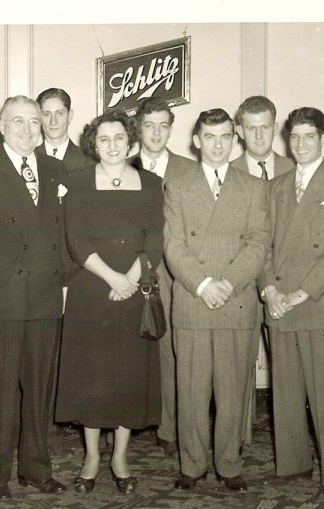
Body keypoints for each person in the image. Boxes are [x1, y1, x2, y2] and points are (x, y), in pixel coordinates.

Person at [0, 95, 70, 500]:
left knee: (41, 392)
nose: (27, 129)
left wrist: (65, 285)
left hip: (44, 299)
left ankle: (37, 469)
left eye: (34, 122)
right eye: (17, 122)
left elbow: (63, 237)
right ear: (1, 126)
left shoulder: (57, 171)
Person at [55, 109, 163, 494]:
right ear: (93, 144)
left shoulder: (151, 183)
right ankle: (91, 457)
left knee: (127, 378)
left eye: (119, 138)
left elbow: (155, 241)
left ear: (131, 141)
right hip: (93, 292)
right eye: (104, 139)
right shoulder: (79, 182)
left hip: (135, 293)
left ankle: (119, 456)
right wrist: (113, 278)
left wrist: (132, 278)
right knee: (93, 378)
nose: (113, 145)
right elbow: (76, 240)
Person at [259, 107, 324, 498]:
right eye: (295, 137)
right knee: (286, 391)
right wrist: (269, 290)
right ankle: (293, 465)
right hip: (280, 303)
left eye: (309, 137)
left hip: (319, 301)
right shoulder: (275, 187)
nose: (301, 144)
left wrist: (300, 293)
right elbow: (262, 246)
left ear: (323, 138)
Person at [164, 108, 269, 493]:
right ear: (196, 141)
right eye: (210, 137)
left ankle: (229, 463)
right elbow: (172, 244)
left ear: (235, 138)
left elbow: (259, 243)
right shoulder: (177, 183)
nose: (218, 144)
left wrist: (227, 282)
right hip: (193, 299)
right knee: (190, 389)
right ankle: (191, 465)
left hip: (236, 299)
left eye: (226, 136)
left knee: (232, 390)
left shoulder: (253, 186)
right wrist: (204, 282)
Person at [131, 97, 196, 459]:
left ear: (171, 129)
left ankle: (169, 428)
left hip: (173, 277)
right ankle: (128, 422)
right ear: (139, 129)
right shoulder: (121, 166)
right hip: (131, 274)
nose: (156, 133)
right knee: (132, 351)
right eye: (149, 125)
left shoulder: (189, 170)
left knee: (172, 354)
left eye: (163, 126)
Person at [231, 95, 295, 447]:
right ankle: (237, 442)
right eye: (251, 128)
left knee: (285, 369)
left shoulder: (294, 167)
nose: (259, 136)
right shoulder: (226, 173)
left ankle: (288, 443)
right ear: (239, 131)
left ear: (275, 126)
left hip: (281, 285)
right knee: (239, 368)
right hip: (241, 285)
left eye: (265, 127)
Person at [35, 87, 94, 172]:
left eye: (59, 114)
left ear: (70, 116)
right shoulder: (28, 158)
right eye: (47, 114)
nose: (53, 122)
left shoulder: (89, 161)